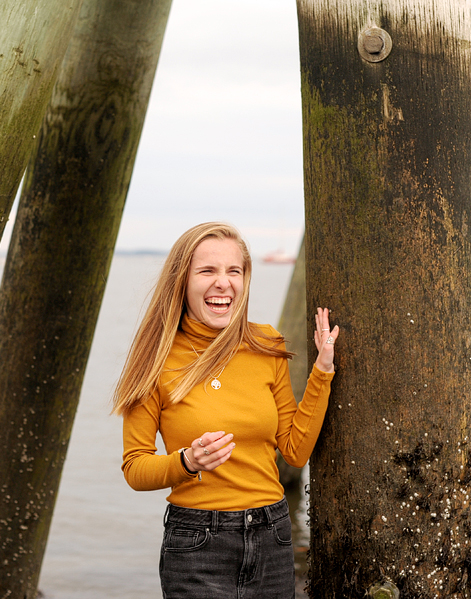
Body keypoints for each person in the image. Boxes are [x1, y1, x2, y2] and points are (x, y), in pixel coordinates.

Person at [112, 222, 339, 599]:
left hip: (273, 536)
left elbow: (296, 451)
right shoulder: (155, 360)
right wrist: (186, 462)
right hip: (197, 544)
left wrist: (323, 371)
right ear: (181, 281)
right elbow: (135, 467)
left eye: (234, 271)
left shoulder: (267, 343)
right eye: (207, 271)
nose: (223, 282)